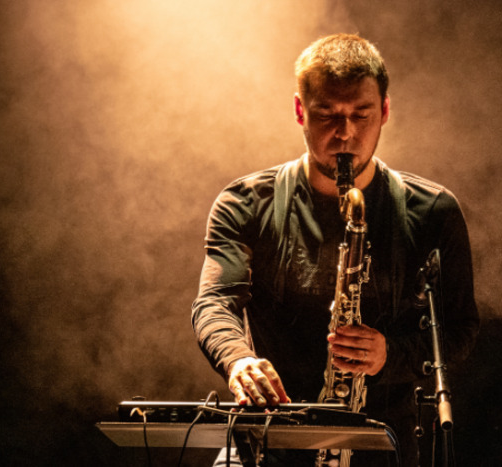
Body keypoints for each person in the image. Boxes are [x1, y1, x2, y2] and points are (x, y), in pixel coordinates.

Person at [192, 33, 479, 466]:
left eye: (361, 115)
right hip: (270, 439)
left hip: (382, 445)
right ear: (299, 111)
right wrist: (237, 361)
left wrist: (389, 354)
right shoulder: (245, 204)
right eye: (326, 115)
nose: (344, 134)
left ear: (384, 111)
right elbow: (214, 303)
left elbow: (459, 331)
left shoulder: (434, 212)